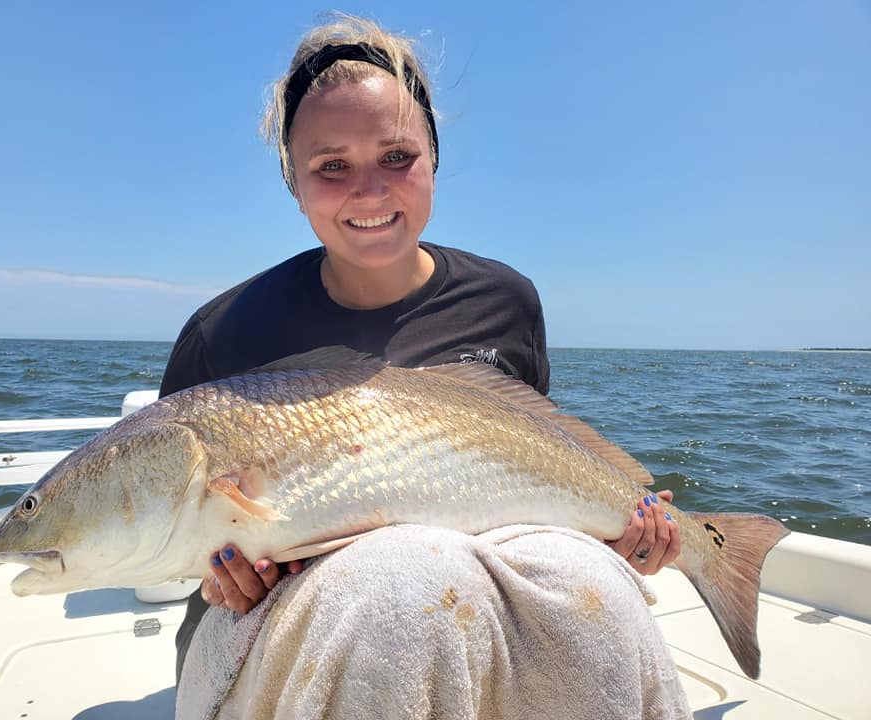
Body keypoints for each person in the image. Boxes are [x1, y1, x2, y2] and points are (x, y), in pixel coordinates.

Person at [160, 14, 685, 717]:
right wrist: (217, 579)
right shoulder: (222, 332)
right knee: (402, 577)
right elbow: (181, 540)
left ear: (434, 157)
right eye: (331, 166)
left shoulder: (505, 301)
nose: (371, 190)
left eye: (397, 156)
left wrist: (626, 532)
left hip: (467, 612)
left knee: (587, 578)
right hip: (263, 639)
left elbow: (526, 466)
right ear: (292, 178)